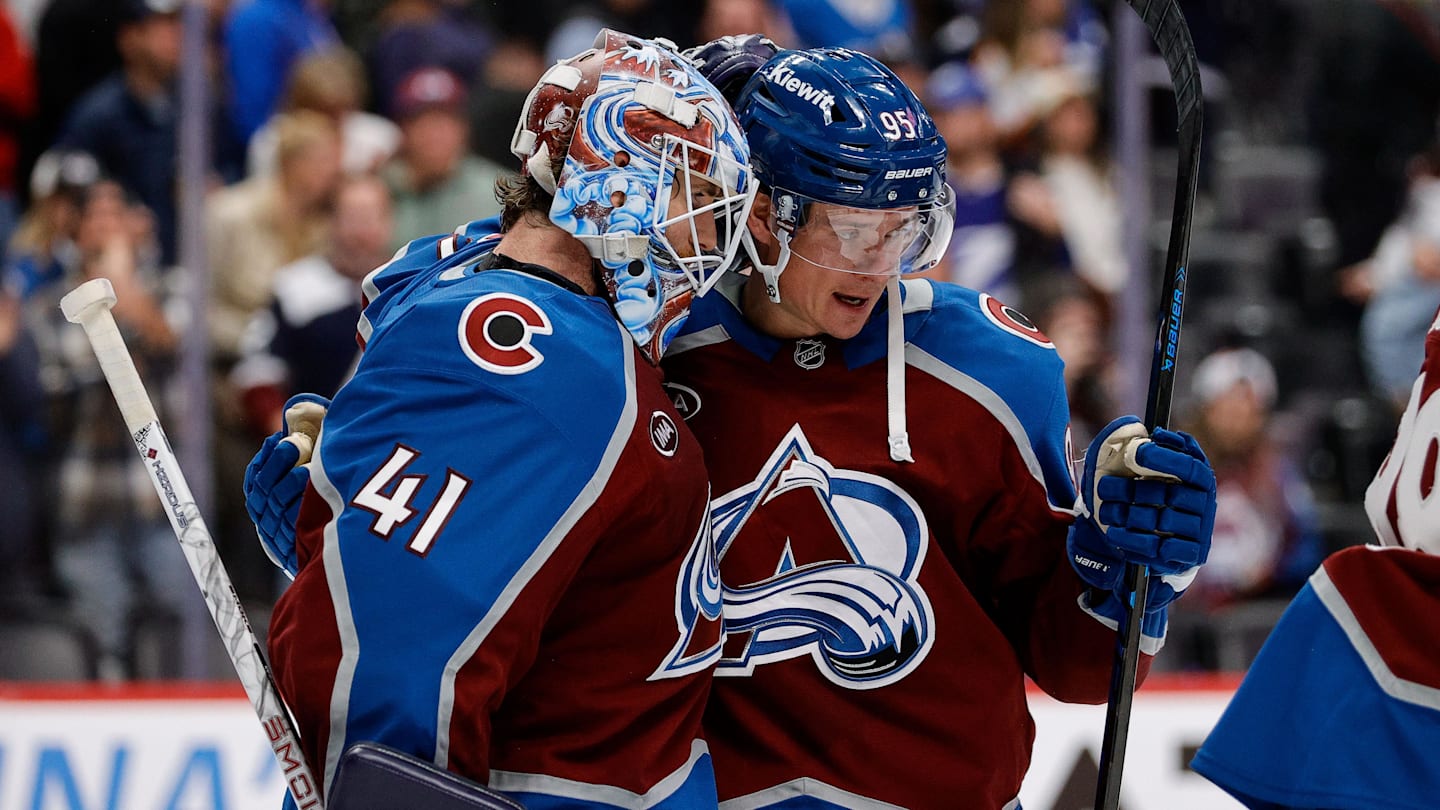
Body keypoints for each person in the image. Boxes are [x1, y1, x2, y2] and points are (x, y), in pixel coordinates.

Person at [249, 36, 1217, 809]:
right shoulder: (635, 339)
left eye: (907, 232)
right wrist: (342, 522)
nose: (880, 265)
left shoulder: (991, 368)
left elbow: (1080, 662)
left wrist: (1129, 576)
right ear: (758, 216)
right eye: (847, 230)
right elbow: (480, 535)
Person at [260, 30, 755, 807]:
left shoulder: (473, 282)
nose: (708, 242)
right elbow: (394, 649)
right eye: (696, 200)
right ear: (616, 188)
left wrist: (330, 527)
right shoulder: (539, 358)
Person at [1191, 305, 1440, 809]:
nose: (1243, 410)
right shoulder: (1184, 465)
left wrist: (1260, 576)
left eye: (1251, 400)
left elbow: (1296, 547)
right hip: (1196, 615)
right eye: (1231, 400)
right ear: (1207, 405)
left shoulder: (1279, 477)